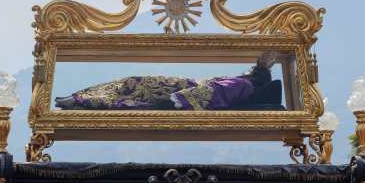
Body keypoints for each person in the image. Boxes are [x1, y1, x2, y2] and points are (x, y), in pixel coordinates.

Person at [54, 57, 283, 111]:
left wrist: (178, 100)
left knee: (131, 88)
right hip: (181, 86)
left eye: (250, 70)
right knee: (128, 86)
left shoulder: (243, 84)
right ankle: (79, 99)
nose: (245, 70)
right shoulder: (242, 83)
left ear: (255, 75)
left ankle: (81, 101)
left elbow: (214, 91)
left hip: (178, 89)